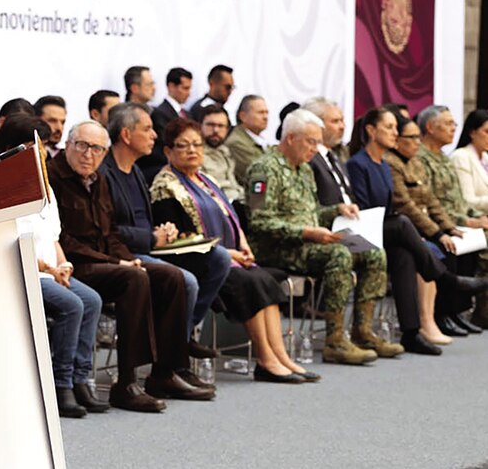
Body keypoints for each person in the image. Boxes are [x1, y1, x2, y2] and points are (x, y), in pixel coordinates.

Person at [48, 121, 210, 413]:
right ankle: (126, 382)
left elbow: (110, 233)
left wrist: (126, 257)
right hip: (75, 265)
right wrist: (117, 262)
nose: (88, 154)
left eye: (96, 149)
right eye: (82, 145)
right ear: (68, 145)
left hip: (106, 262)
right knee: (134, 278)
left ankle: (166, 372)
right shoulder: (53, 177)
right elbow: (62, 240)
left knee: (170, 277)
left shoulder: (99, 178)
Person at [149, 118, 319, 383]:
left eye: (197, 144)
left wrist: (243, 245)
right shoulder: (165, 186)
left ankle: (280, 356)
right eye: (183, 146)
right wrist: (227, 254)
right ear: (168, 151)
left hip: (228, 256)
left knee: (264, 276)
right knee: (248, 281)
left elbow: (230, 217)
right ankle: (265, 359)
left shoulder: (205, 180)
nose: (192, 150)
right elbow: (180, 239)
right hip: (200, 263)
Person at [247, 109, 385, 365]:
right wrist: (307, 232)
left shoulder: (305, 170)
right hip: (278, 248)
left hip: (309, 243)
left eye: (318, 142)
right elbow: (259, 221)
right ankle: (335, 340)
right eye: (311, 141)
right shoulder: (263, 170)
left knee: (374, 253)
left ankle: (363, 331)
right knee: (338, 255)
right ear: (290, 138)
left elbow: (310, 214)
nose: (315, 149)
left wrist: (336, 211)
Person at [101, 103, 232, 363]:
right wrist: (151, 237)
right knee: (185, 281)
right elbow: (108, 231)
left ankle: (178, 340)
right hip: (124, 253)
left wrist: (163, 231)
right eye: (148, 129)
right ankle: (172, 361)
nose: (154, 135)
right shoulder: (106, 174)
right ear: (126, 135)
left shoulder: (136, 170)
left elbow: (142, 222)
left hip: (151, 247)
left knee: (219, 258)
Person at [1, 114, 107, 417]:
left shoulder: (45, 188)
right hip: (24, 272)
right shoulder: (4, 188)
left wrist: (64, 265)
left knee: (92, 299)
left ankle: (80, 378)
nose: (40, 151)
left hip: (51, 272)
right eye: (31, 144)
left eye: (43, 145)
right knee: (72, 305)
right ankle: (61, 385)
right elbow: (10, 245)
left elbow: (54, 237)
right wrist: (49, 269)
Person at [343, 107, 462, 356]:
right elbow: (365, 210)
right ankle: (445, 278)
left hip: (386, 231)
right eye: (389, 127)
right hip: (363, 229)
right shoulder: (357, 164)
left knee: (404, 255)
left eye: (396, 128)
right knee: (403, 223)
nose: (394, 133)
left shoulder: (385, 165)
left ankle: (411, 333)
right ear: (371, 130)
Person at [385, 114, 473, 345]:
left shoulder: (413, 161)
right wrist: (437, 232)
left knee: (451, 242)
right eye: (411, 137)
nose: (417, 142)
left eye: (417, 137)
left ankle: (449, 313)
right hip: (409, 228)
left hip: (421, 227)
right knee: (434, 249)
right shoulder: (391, 163)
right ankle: (434, 317)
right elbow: (406, 206)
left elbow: (431, 201)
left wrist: (447, 227)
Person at [418, 106, 488, 329]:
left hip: (454, 220)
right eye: (448, 124)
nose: (453, 129)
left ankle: (457, 311)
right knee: (453, 244)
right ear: (430, 127)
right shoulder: (421, 159)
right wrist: (465, 221)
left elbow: (458, 200)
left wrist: (476, 217)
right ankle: (446, 312)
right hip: (438, 223)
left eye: (454, 124)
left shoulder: (444, 158)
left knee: (468, 241)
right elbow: (432, 202)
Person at [303, 98, 353, 206]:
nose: (342, 127)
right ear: (316, 124)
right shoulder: (308, 157)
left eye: (342, 120)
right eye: (335, 121)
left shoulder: (335, 157)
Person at [198, 106, 245, 202]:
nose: (216, 130)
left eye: (220, 126)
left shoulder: (226, 152)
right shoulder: (194, 155)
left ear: (227, 129)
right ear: (200, 126)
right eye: (210, 125)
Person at [224, 94, 269, 187]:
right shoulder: (236, 142)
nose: (265, 117)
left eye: (266, 112)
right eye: (260, 112)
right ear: (243, 116)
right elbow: (259, 173)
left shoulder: (260, 139)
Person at [451, 109, 488, 213]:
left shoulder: (486, 157)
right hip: (473, 219)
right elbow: (467, 201)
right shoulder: (461, 157)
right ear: (472, 133)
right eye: (487, 132)